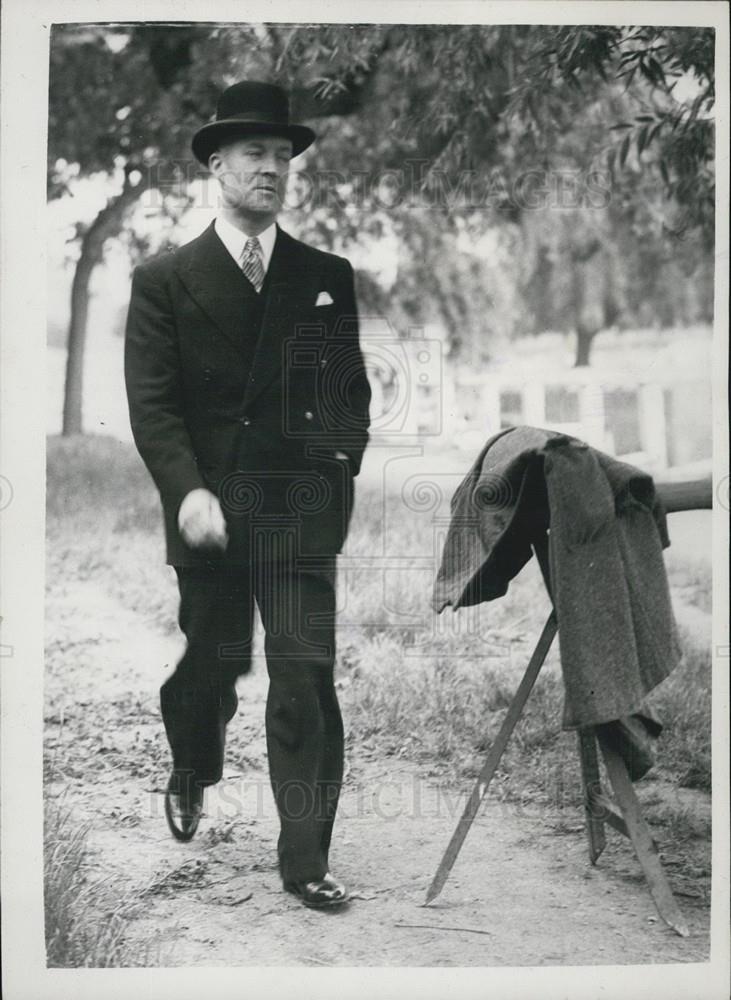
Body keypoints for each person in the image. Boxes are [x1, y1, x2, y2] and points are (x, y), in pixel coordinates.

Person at [124, 80, 371, 910]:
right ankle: (193, 764)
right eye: (255, 154)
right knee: (214, 666)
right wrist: (188, 493)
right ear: (217, 164)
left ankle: (305, 857)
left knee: (304, 677)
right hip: (210, 516)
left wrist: (339, 465)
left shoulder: (325, 275)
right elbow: (153, 405)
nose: (272, 169)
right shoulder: (164, 279)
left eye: (282, 156)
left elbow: (348, 395)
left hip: (299, 513)